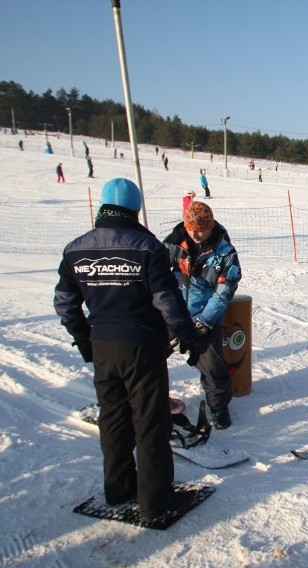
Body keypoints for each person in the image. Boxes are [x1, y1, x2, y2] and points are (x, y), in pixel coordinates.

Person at [54, 178, 200, 522]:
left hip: (103, 346)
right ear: (135, 210)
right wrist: (186, 337)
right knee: (150, 423)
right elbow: (168, 302)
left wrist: (85, 340)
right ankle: (157, 502)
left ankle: (118, 488)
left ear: (103, 207)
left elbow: (64, 304)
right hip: (143, 347)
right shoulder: (147, 247)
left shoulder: (76, 249)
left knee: (114, 419)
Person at [163, 202, 241, 429]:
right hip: (173, 313)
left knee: (214, 366)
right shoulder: (172, 245)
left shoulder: (225, 252)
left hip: (205, 315)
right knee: (151, 355)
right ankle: (154, 400)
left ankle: (219, 408)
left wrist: (205, 321)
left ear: (212, 225)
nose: (196, 234)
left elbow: (225, 290)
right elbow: (156, 276)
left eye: (202, 229)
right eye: (191, 229)